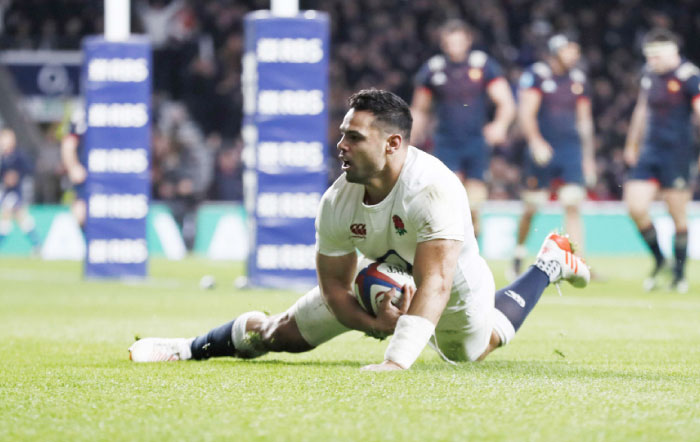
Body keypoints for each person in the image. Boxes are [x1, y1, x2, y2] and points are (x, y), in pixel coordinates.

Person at [129, 89, 589, 370]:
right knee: (279, 332)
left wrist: (396, 358)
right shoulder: (336, 200)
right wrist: (373, 324)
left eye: (354, 137)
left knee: (474, 349)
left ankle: (548, 264)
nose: (340, 145)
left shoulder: (434, 188)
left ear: (392, 144)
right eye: (343, 134)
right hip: (384, 278)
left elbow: (437, 282)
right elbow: (333, 288)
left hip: (456, 288)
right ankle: (186, 348)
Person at [410, 19, 516, 237]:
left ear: (468, 41)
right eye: (450, 42)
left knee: (475, 201)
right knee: (448, 196)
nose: (454, 46)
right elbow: (419, 109)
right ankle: (453, 245)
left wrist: (500, 125)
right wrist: (410, 138)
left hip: (476, 140)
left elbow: (506, 102)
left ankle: (471, 240)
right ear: (443, 44)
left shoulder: (482, 65)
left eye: (459, 41)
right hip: (446, 141)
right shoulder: (433, 69)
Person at [511, 34, 596, 276]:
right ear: (556, 51)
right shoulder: (536, 75)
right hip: (544, 148)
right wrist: (536, 142)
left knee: (572, 202)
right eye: (570, 49)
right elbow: (526, 112)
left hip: (570, 149)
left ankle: (578, 264)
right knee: (532, 205)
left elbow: (584, 121)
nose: (574, 55)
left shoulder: (578, 78)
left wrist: (588, 158)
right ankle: (518, 252)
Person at [623, 28, 700, 293]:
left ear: (672, 52)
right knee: (635, 207)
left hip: (677, 154)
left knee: (677, 214)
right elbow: (642, 109)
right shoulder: (648, 75)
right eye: (649, 56)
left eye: (656, 56)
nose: (652, 61)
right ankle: (660, 260)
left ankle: (679, 275)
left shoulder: (690, 77)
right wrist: (632, 143)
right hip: (649, 152)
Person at [0, 128, 40, 249]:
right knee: (20, 217)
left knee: (9, 215)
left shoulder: (19, 155)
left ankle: (37, 244)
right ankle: (37, 244)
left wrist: (17, 176)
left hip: (17, 191)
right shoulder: (3, 158)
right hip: (5, 191)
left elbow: (30, 169)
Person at [60, 105, 88, 227]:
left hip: (114, 174)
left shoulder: (122, 109)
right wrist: (73, 167)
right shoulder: (82, 113)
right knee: (81, 213)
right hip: (86, 174)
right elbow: (68, 143)